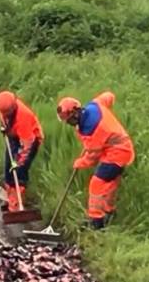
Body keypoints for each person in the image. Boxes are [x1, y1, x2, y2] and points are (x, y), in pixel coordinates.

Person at [56, 91, 135, 230]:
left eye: (68, 120)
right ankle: (109, 213)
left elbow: (92, 157)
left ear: (75, 113)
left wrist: (80, 162)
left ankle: (96, 220)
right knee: (109, 185)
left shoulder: (92, 129)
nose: (68, 123)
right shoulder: (95, 105)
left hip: (117, 154)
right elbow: (108, 96)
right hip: (119, 149)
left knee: (97, 184)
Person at [0, 91, 44, 213]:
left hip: (31, 140)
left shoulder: (23, 117)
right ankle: (11, 200)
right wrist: (4, 127)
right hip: (14, 136)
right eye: (3, 113)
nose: (5, 115)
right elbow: (3, 120)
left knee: (19, 170)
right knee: (8, 168)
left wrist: (18, 161)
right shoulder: (3, 108)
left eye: (8, 113)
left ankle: (17, 205)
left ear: (13, 107)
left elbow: (27, 145)